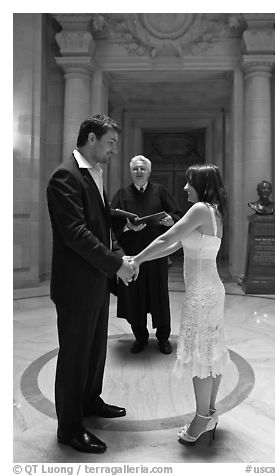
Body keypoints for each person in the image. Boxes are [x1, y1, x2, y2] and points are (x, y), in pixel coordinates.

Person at [46, 115, 136, 454]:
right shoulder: (64, 176)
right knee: (74, 356)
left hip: (95, 281)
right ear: (92, 138)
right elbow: (76, 235)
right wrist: (116, 265)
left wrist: (120, 231)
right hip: (75, 285)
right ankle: (69, 428)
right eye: (111, 143)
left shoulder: (94, 173)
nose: (114, 150)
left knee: (95, 350)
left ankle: (89, 400)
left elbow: (97, 224)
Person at [131, 163, 231, 445]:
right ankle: (209, 413)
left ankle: (200, 420)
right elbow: (173, 245)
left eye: (189, 182)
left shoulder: (200, 209)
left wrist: (135, 259)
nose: (185, 187)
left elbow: (166, 238)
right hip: (211, 289)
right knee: (210, 350)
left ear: (201, 183)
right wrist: (140, 260)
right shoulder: (213, 210)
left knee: (201, 353)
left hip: (202, 293)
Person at [111, 155, 182, 354]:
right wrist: (127, 227)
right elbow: (112, 221)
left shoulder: (160, 191)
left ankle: (163, 338)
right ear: (131, 172)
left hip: (157, 255)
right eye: (135, 169)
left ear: (149, 172)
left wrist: (170, 220)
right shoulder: (122, 194)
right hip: (132, 257)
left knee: (159, 296)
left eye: (142, 169)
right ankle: (140, 337)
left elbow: (177, 214)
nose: (139, 172)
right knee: (135, 297)